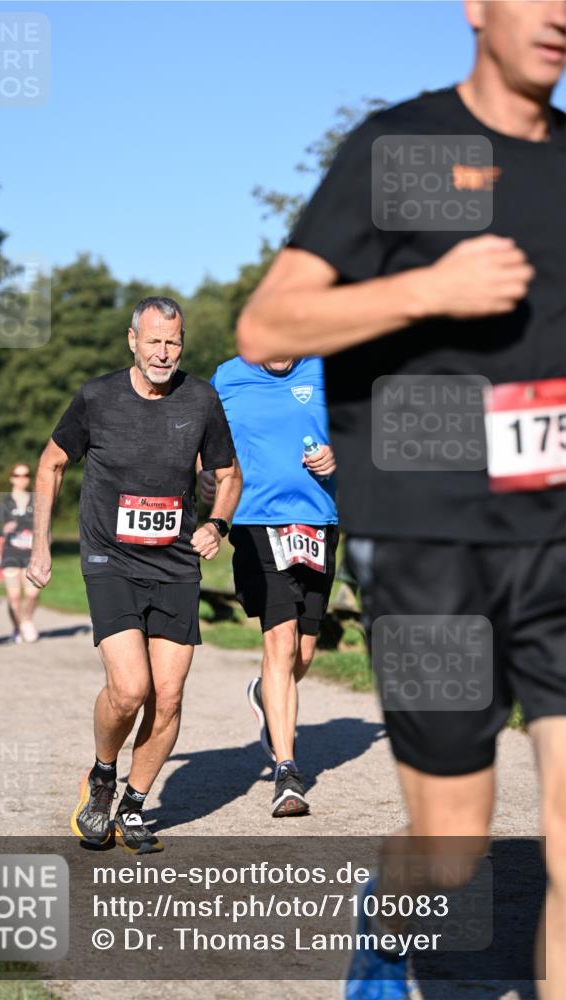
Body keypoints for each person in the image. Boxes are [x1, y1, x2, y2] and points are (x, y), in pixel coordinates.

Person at [237, 3, 565, 997]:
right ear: (475, 6)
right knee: (453, 848)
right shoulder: (409, 149)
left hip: (559, 534)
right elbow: (268, 327)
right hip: (429, 541)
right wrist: (428, 289)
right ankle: (387, 930)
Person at [27, 296, 241, 853]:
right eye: (154, 341)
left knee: (167, 697)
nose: (164, 352)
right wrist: (41, 545)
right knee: (130, 689)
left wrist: (217, 524)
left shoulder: (201, 399)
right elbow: (51, 463)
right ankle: (102, 775)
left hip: (174, 564)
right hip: (110, 559)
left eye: (173, 342)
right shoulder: (97, 397)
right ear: (132, 341)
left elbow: (227, 473)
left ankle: (136, 805)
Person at [202, 355, 338, 817]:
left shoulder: (325, 370)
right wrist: (206, 476)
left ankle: (266, 692)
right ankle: (287, 772)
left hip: (317, 519)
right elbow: (206, 437)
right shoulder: (229, 376)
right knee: (279, 640)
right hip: (256, 519)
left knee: (302, 654)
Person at [0, 464, 41, 643]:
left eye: (25, 475)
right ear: (12, 478)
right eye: (18, 475)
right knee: (14, 596)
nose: (22, 479)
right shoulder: (5, 502)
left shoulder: (36, 500)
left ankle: (26, 619)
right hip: (10, 554)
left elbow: (45, 528)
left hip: (31, 555)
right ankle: (16, 627)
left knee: (32, 594)